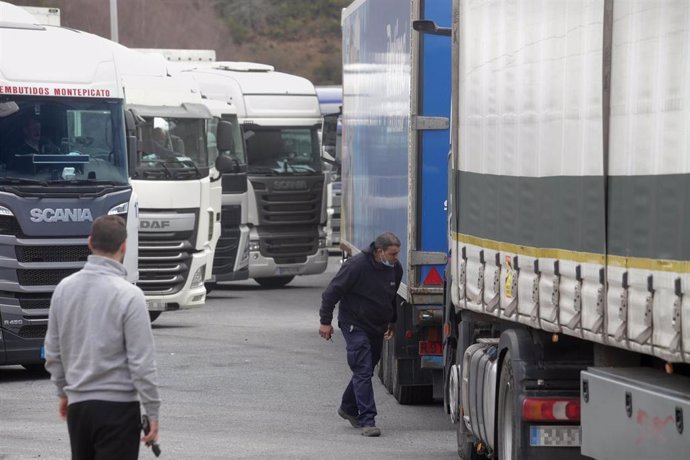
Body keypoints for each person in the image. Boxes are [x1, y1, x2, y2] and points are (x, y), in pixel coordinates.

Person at [44, 215, 161, 460]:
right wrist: (152, 411)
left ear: (89, 243)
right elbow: (142, 363)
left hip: (79, 411)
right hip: (118, 409)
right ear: (124, 246)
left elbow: (53, 352)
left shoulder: (63, 289)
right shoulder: (130, 296)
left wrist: (64, 392)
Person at [319, 232, 403, 437]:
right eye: (393, 254)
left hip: (377, 326)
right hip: (354, 324)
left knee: (364, 368)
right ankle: (367, 420)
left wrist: (392, 321)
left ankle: (348, 407)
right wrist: (325, 322)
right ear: (379, 251)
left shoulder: (395, 269)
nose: (396, 258)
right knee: (363, 369)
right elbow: (331, 293)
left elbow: (391, 297)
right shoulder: (356, 266)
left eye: (398, 254)